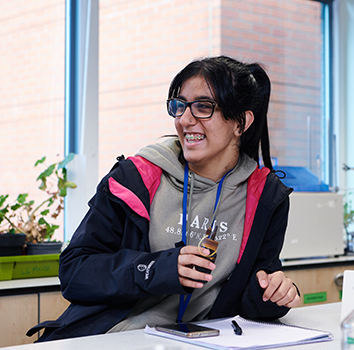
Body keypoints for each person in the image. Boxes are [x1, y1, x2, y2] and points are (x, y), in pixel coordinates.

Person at [27, 55, 300, 342]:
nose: (184, 120)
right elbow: (75, 271)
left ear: (241, 122)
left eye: (204, 107)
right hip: (112, 337)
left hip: (198, 342)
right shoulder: (134, 178)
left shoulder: (266, 197)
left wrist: (271, 295)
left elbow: (246, 302)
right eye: (179, 106)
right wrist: (157, 269)